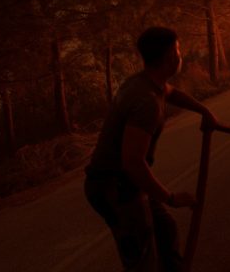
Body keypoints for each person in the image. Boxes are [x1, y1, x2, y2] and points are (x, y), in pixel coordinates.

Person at [84, 27, 217, 271]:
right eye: (178, 49)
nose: (181, 54)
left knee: (164, 230)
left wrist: (203, 111)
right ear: (169, 57)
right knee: (142, 259)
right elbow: (132, 162)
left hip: (123, 183)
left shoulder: (144, 83)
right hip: (115, 188)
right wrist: (171, 198)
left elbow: (172, 93)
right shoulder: (146, 102)